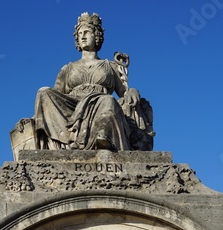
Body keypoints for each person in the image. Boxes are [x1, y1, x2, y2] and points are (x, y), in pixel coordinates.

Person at [33, 12, 153, 151]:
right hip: (73, 105)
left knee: (108, 100)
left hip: (100, 103)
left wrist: (132, 90)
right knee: (44, 92)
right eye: (80, 33)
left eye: (87, 32)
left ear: (96, 35)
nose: (82, 36)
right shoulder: (68, 68)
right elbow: (55, 98)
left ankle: (102, 137)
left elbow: (123, 92)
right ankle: (68, 138)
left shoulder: (110, 66)